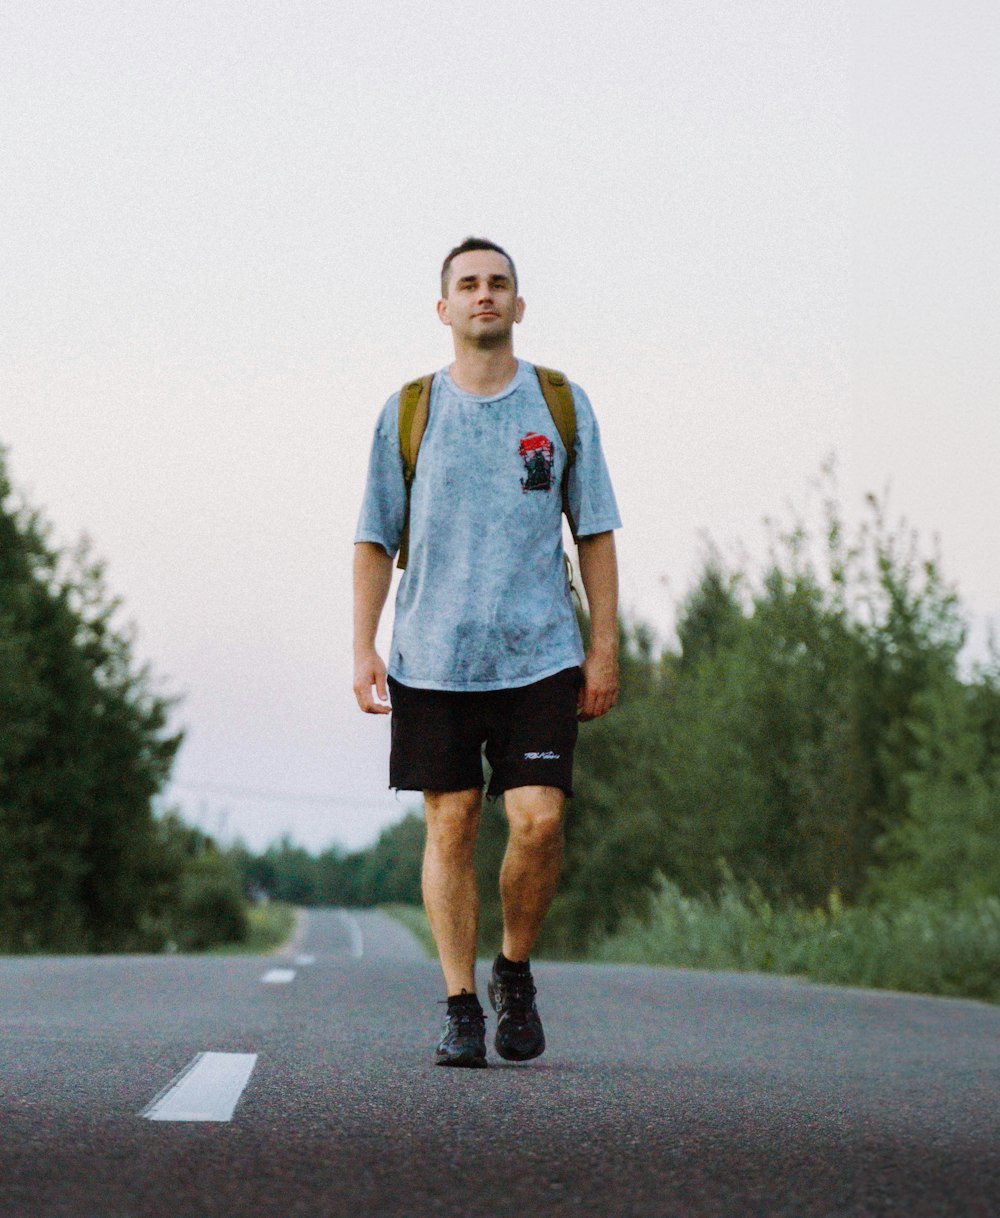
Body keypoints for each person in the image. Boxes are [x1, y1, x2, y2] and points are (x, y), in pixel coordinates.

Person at [353, 237, 621, 1068]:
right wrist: (361, 643)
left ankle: (513, 968)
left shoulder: (559, 404)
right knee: (453, 820)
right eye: (467, 285)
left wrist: (603, 646)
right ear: (444, 308)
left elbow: (597, 532)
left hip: (540, 651)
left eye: (498, 284)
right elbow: (373, 537)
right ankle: (461, 1004)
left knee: (537, 821)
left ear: (518, 304)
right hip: (431, 654)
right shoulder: (408, 410)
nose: (483, 295)